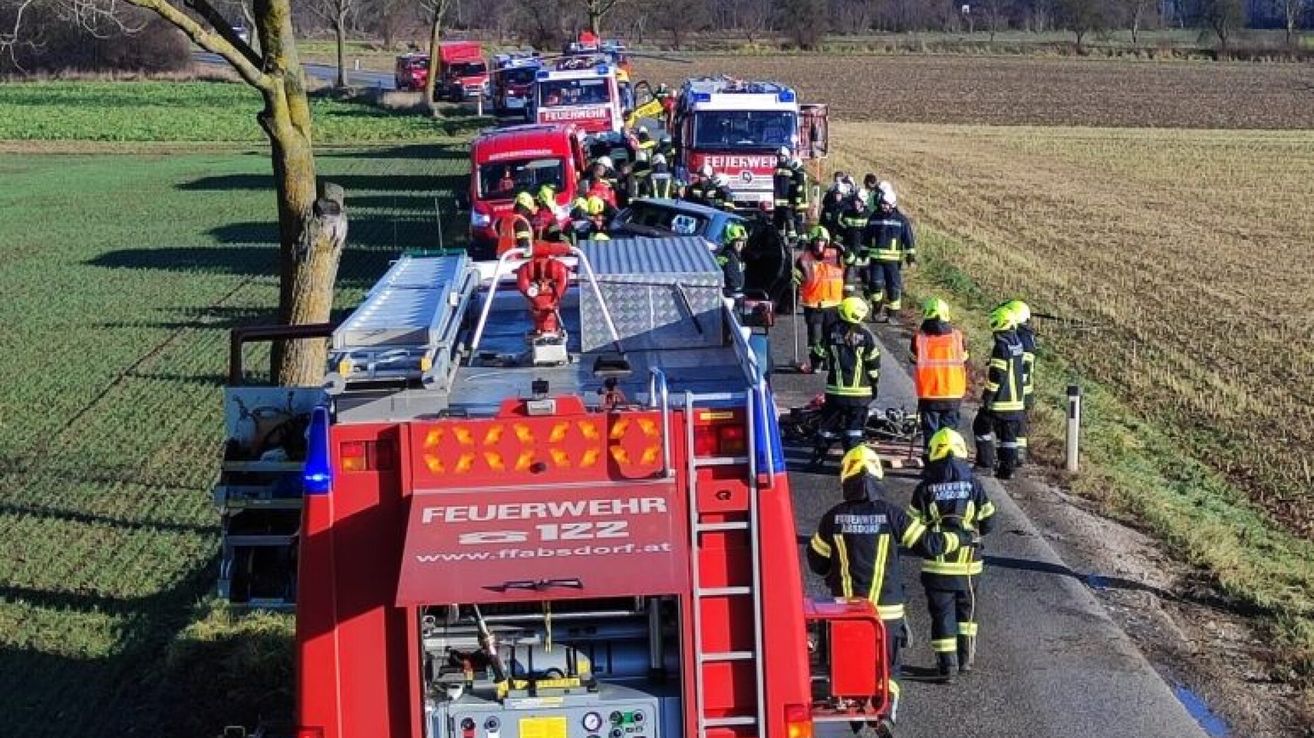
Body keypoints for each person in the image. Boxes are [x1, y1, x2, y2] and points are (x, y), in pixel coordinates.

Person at [809, 446, 970, 733]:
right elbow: (930, 546)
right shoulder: (892, 515)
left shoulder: (832, 518)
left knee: (844, 665)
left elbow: (816, 562)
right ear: (878, 478)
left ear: (845, 478)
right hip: (887, 612)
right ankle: (885, 713)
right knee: (890, 667)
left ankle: (853, 714)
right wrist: (959, 538)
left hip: (845, 613)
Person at [908, 428, 996, 681]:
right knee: (967, 614)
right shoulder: (974, 484)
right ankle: (965, 659)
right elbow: (989, 521)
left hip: (937, 566)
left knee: (942, 616)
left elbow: (912, 528)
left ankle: (946, 667)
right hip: (969, 566)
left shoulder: (924, 488)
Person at [818, 297, 881, 452]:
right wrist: (874, 382)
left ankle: (819, 455)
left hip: (836, 392)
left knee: (827, 428)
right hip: (860, 395)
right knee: (854, 430)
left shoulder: (830, 332)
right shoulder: (865, 336)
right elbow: (873, 363)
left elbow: (818, 352)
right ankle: (851, 457)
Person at [973, 306, 1027, 479]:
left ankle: (985, 463)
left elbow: (996, 375)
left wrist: (987, 397)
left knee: (980, 426)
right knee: (1008, 438)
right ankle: (1007, 470)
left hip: (1001, 401)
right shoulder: (1017, 343)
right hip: (1016, 402)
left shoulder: (1001, 347)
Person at [910, 297, 969, 447]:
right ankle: (948, 459)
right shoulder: (957, 337)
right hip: (952, 393)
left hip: (929, 394)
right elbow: (964, 358)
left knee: (931, 432)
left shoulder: (918, 339)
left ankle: (931, 461)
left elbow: (912, 359)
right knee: (949, 433)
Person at [793, 226, 845, 374]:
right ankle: (816, 363)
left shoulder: (835, 254)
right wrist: (795, 278)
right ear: (811, 242)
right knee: (815, 338)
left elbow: (851, 263)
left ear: (827, 242)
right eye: (816, 241)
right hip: (813, 304)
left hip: (833, 304)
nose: (819, 244)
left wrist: (846, 252)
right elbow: (798, 275)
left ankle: (829, 362)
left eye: (822, 241)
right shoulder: (804, 259)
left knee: (832, 336)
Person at [863, 186, 916, 323]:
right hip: (876, 260)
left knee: (894, 288)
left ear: (892, 204)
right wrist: (864, 251)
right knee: (875, 284)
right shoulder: (874, 217)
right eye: (882, 203)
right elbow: (867, 236)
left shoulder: (901, 220)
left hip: (893, 262)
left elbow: (908, 238)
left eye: (886, 204)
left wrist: (911, 255)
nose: (883, 206)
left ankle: (892, 315)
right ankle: (877, 309)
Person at [999, 299, 1035, 464]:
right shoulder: (1028, 337)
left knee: (1013, 425)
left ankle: (1013, 457)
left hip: (1017, 388)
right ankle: (1018, 455)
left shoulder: (1018, 338)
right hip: (1026, 388)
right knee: (1020, 423)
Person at [496, 191, 537, 255]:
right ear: (527, 209)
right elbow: (524, 247)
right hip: (516, 261)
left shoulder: (504, 220)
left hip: (502, 260)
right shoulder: (521, 223)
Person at [716, 222, 748, 301]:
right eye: (737, 241)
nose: (740, 244)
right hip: (732, 295)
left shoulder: (729, 254)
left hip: (730, 293)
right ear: (730, 241)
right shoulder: (730, 257)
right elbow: (733, 280)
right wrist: (737, 293)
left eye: (742, 241)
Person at [772, 147, 797, 240]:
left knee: (789, 218)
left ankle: (792, 238)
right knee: (778, 221)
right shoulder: (776, 169)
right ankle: (779, 237)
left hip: (787, 200)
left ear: (787, 157)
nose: (780, 159)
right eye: (779, 157)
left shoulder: (790, 169)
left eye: (782, 157)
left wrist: (793, 200)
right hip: (777, 201)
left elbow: (793, 186)